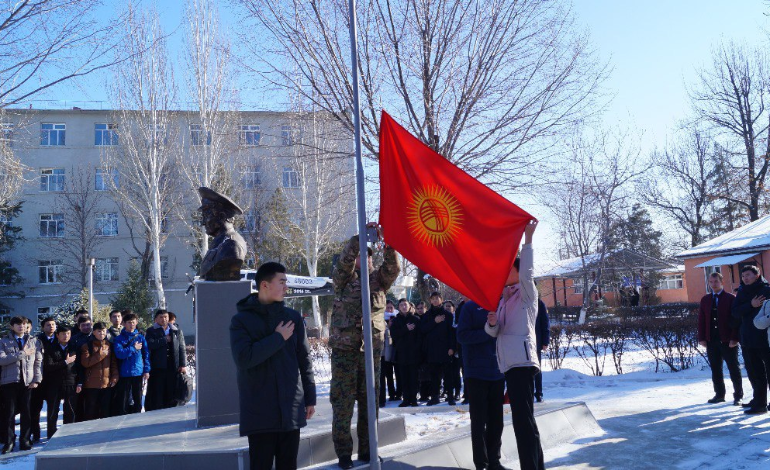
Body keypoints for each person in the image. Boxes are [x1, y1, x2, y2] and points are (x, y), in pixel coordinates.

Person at [230, 262, 316, 470]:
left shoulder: (293, 318)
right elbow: (244, 358)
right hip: (260, 411)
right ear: (264, 285)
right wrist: (278, 338)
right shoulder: (241, 321)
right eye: (282, 282)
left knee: (288, 465)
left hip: (291, 408)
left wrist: (310, 398)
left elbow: (304, 359)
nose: (286, 287)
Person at [328, 224, 400, 469]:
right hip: (345, 353)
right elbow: (344, 263)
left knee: (370, 404)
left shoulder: (379, 281)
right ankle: (344, 454)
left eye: (367, 255)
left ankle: (368, 451)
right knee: (343, 404)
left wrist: (387, 243)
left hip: (371, 353)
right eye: (360, 254)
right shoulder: (343, 278)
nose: (364, 259)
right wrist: (359, 237)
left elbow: (393, 268)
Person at [485, 220, 545, 470]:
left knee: (523, 422)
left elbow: (528, 271)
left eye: (510, 269)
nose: (504, 273)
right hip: (508, 364)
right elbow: (494, 331)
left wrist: (527, 241)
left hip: (522, 362)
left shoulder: (527, 294)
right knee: (524, 422)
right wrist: (491, 322)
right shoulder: (502, 300)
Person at [457, 297, 506, 470]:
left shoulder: (502, 304)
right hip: (476, 372)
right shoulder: (469, 307)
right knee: (479, 421)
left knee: (496, 421)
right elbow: (462, 335)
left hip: (498, 370)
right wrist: (488, 331)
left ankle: (494, 461)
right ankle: (481, 464)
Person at [697, 272, 742, 405]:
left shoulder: (730, 298)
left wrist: (735, 338)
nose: (713, 284)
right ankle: (719, 394)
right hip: (712, 340)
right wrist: (702, 338)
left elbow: (736, 320)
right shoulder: (705, 299)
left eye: (716, 281)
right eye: (711, 282)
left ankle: (738, 395)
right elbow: (701, 320)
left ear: (722, 282)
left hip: (728, 340)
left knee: (733, 368)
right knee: (716, 369)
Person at [731, 265, 770, 415]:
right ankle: (759, 402)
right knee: (754, 372)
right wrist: (750, 305)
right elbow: (735, 312)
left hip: (765, 339)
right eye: (743, 276)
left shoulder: (766, 290)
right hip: (747, 338)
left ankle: (762, 403)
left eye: (748, 275)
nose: (745, 278)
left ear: (757, 274)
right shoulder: (741, 292)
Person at [0, 316, 42, 453]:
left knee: (27, 413)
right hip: (9, 382)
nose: (21, 326)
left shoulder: (33, 341)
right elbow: (2, 360)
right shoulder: (3, 341)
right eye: (18, 324)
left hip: (27, 382)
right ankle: (9, 442)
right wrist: (22, 354)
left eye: (23, 324)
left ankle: (25, 440)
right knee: (9, 414)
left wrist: (36, 380)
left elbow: (38, 362)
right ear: (12, 326)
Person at [145, 309, 187, 411]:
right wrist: (164, 340)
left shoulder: (176, 331)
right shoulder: (151, 331)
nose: (164, 319)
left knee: (172, 390)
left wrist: (183, 364)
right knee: (158, 391)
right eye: (161, 317)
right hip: (158, 367)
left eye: (166, 317)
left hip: (173, 366)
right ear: (156, 319)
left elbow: (182, 348)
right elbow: (150, 344)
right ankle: (158, 410)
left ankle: (171, 409)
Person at [421, 292, 456, 406]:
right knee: (434, 376)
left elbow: (452, 333)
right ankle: (434, 397)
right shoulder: (427, 315)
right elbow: (423, 330)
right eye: (433, 299)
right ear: (430, 301)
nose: (435, 300)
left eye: (437, 298)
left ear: (441, 300)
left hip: (446, 349)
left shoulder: (448, 315)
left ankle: (450, 396)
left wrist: (452, 347)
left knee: (448, 376)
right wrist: (435, 322)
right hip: (432, 350)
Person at [43, 324, 77, 438]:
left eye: (68, 333)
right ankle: (51, 434)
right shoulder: (50, 348)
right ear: (57, 335)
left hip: (70, 382)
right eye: (63, 334)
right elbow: (48, 366)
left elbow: (78, 367)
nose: (66, 336)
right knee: (53, 410)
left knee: (70, 410)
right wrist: (65, 362)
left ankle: (68, 433)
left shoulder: (74, 347)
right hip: (54, 383)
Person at [80, 322, 119, 421]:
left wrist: (115, 376)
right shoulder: (87, 346)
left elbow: (113, 363)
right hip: (91, 385)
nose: (102, 333)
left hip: (106, 384)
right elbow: (86, 363)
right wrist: (100, 355)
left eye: (104, 331)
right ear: (94, 332)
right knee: (91, 412)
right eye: (99, 331)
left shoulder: (110, 345)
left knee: (105, 412)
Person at [113, 313, 150, 415]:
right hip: (124, 373)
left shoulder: (141, 337)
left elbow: (146, 354)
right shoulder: (119, 339)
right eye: (129, 322)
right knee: (124, 399)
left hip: (138, 372)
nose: (131, 325)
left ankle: (137, 418)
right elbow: (119, 354)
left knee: (138, 398)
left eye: (133, 322)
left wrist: (146, 370)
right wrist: (133, 348)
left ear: (136, 322)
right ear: (124, 323)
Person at [390, 298, 422, 407]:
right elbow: (394, 335)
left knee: (414, 377)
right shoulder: (395, 320)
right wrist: (405, 329)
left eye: (405, 305)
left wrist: (417, 349)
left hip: (413, 353)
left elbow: (420, 337)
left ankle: (413, 398)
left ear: (409, 306)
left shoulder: (415, 319)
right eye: (401, 305)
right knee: (403, 378)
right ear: (398, 307)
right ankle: (406, 398)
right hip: (401, 353)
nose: (404, 307)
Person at [30, 317, 56, 442]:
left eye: (52, 324)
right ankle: (36, 434)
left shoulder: (59, 338)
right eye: (48, 325)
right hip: (39, 379)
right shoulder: (37, 340)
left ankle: (51, 433)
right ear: (43, 327)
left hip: (53, 380)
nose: (51, 327)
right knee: (35, 409)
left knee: (53, 409)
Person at [379, 311, 397, 407]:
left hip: (381, 354)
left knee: (381, 377)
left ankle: (381, 399)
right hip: (370, 353)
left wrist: (387, 355)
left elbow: (387, 339)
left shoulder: (383, 323)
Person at [533, 300, 550, 403]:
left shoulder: (539, 303)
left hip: (536, 342)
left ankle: (539, 393)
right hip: (523, 342)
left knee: (537, 369)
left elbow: (545, 322)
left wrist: (545, 341)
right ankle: (529, 392)